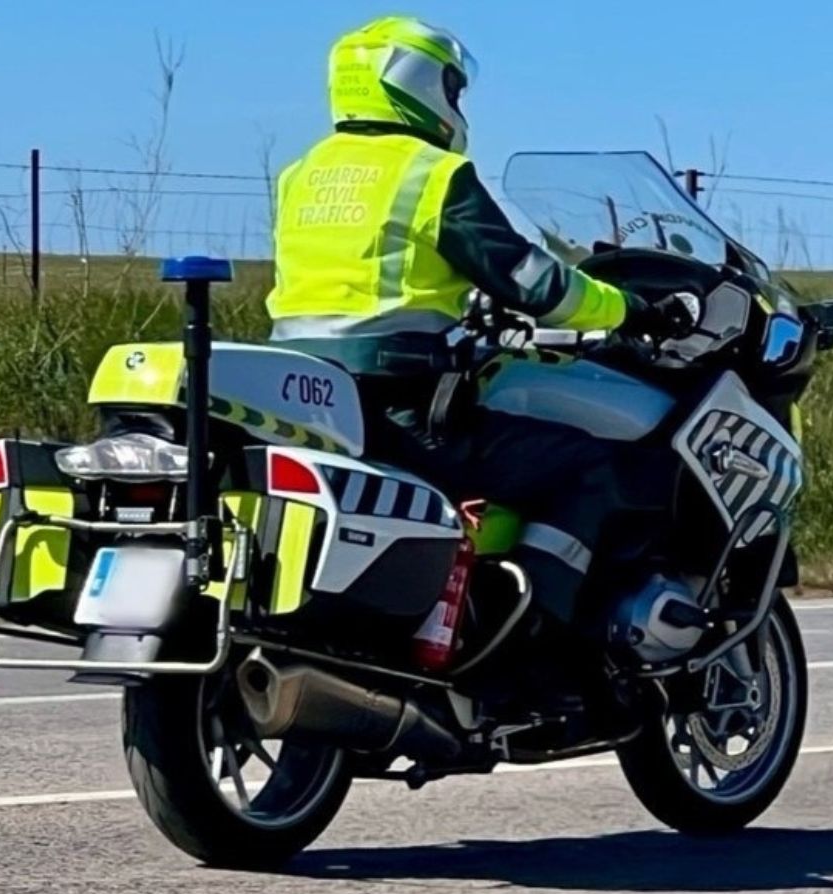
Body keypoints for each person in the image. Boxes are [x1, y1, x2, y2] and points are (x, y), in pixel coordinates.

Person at [266, 16, 693, 629]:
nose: (458, 103)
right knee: (592, 467)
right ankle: (538, 635)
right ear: (412, 81)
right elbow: (531, 281)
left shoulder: (301, 175)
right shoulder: (428, 174)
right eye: (453, 87)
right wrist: (629, 308)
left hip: (314, 404)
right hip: (405, 405)